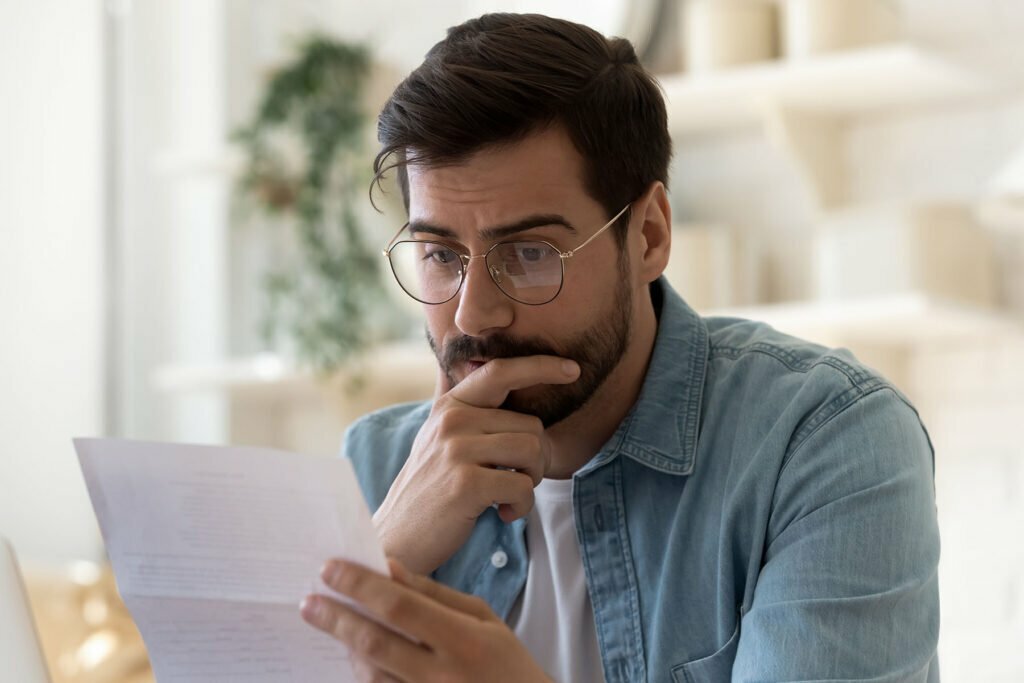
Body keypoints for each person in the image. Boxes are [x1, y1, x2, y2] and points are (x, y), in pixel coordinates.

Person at [299, 13, 940, 682]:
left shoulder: (824, 443)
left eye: (529, 252)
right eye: (439, 253)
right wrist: (382, 553)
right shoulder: (374, 466)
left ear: (650, 236)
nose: (473, 311)